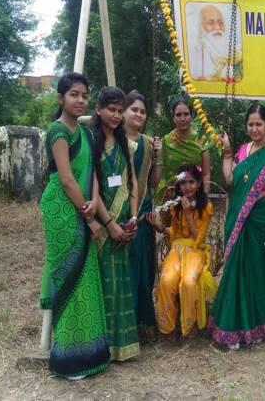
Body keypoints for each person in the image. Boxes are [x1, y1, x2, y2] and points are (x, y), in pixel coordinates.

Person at [38, 73, 110, 379]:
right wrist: (90, 218)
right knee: (70, 279)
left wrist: (94, 200)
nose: (80, 100)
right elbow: (66, 179)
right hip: (63, 212)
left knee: (87, 279)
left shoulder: (86, 133)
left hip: (82, 205)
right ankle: (68, 359)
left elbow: (92, 171)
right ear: (61, 98)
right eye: (74, 95)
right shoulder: (58, 131)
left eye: (84, 95)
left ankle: (90, 352)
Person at [212, 103, 265, 350]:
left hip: (261, 222)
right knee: (234, 272)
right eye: (250, 124)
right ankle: (229, 327)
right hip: (239, 221)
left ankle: (252, 328)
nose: (254, 129)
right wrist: (226, 155)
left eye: (259, 124)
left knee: (256, 274)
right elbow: (230, 182)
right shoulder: (243, 150)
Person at [92, 86, 140, 361]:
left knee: (120, 284)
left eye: (120, 111)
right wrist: (109, 224)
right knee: (102, 285)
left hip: (123, 224)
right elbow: (91, 189)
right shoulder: (90, 143)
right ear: (99, 109)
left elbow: (132, 185)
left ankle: (121, 348)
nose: (116, 115)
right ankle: (101, 348)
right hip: (101, 225)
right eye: (112, 109)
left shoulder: (125, 145)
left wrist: (132, 218)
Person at [150, 164, 216, 337]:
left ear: (199, 183)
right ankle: (168, 327)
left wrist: (188, 214)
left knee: (188, 281)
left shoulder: (206, 206)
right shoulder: (175, 206)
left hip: (195, 249)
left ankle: (190, 324)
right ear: (178, 186)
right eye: (183, 183)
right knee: (167, 280)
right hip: (176, 248)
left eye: (192, 182)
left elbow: (198, 238)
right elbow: (174, 233)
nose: (187, 187)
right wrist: (161, 228)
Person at [123, 91, 162, 337]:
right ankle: (124, 322)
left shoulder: (149, 142)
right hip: (119, 211)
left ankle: (143, 322)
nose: (138, 114)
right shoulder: (113, 138)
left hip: (144, 210)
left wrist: (158, 157)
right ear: (124, 111)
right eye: (134, 109)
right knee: (126, 267)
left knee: (145, 266)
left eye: (142, 111)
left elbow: (154, 182)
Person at [155, 97, 211, 203]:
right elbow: (160, 172)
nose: (182, 118)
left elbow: (206, 174)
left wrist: (204, 198)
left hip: (194, 197)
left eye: (186, 114)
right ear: (173, 118)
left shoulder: (201, 140)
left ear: (192, 116)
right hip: (170, 198)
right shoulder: (166, 141)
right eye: (178, 115)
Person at [190, 4, 241, 80]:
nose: (217, 28)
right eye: (211, 22)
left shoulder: (235, 53)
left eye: (220, 22)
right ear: (201, 27)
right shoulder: (196, 54)